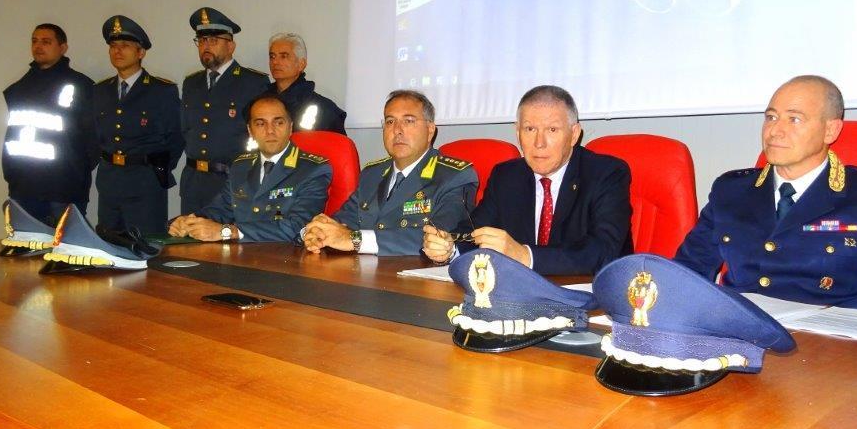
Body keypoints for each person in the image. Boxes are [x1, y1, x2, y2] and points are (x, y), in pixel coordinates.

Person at [674, 75, 857, 319]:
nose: (775, 131)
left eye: (794, 119)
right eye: (771, 117)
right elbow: (684, 275)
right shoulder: (731, 191)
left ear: (830, 131)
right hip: (738, 340)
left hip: (829, 352)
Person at [422, 85, 633, 275]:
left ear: (574, 134)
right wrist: (449, 248)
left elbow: (603, 250)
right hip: (518, 298)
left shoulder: (606, 173)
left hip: (586, 299)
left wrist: (525, 255)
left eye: (552, 130)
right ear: (517, 132)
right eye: (530, 129)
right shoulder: (506, 176)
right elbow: (475, 231)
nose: (539, 143)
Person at [303, 90, 477, 255]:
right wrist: (316, 232)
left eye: (408, 121)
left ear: (430, 130)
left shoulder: (454, 176)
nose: (397, 130)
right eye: (390, 121)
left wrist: (355, 239)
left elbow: (437, 238)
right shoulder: (372, 174)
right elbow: (342, 221)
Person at [169, 92, 331, 242]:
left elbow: (297, 227)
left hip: (285, 260)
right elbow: (220, 209)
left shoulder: (312, 170)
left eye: (278, 122)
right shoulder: (241, 166)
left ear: (290, 126)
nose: (270, 131)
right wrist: (189, 221)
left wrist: (228, 231)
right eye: (260, 124)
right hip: (237, 257)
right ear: (250, 130)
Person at [93, 16, 183, 234]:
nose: (118, 51)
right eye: (113, 46)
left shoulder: (161, 91)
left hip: (145, 184)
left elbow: (177, 137)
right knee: (108, 248)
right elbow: (95, 135)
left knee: (146, 248)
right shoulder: (100, 91)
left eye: (125, 46)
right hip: (109, 183)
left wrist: (155, 169)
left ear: (141, 52)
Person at [1, 23, 97, 224]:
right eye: (34, 41)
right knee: (26, 250)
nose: (38, 46)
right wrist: (11, 173)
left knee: (66, 252)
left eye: (46, 41)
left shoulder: (82, 86)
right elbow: (11, 135)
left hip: (64, 188)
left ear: (63, 48)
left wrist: (76, 171)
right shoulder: (17, 89)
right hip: (23, 186)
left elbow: (93, 138)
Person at [180, 7, 269, 214]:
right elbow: (185, 130)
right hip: (194, 184)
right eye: (201, 41)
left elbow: (261, 137)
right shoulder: (191, 83)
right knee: (188, 244)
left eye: (213, 41)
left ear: (231, 46)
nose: (206, 46)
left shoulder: (253, 82)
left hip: (232, 184)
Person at [266, 32, 347, 134]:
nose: (275, 62)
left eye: (283, 56)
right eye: (272, 56)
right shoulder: (260, 103)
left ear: (301, 64)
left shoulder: (324, 109)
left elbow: (338, 148)